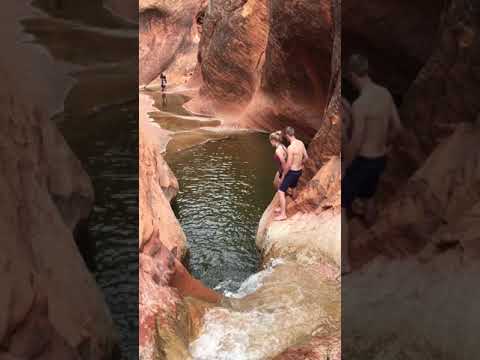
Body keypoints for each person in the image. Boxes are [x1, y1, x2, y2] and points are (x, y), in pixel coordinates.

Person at [341, 54, 404, 274]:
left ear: (351, 76)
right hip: (380, 159)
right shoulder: (385, 94)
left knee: (341, 207)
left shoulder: (360, 104)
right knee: (368, 200)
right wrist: (385, 146)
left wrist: (345, 167)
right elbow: (398, 128)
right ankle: (375, 248)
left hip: (364, 161)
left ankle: (345, 262)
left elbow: (356, 142)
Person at [274, 126, 309, 221]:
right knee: (293, 188)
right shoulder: (301, 143)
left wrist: (283, 176)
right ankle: (291, 205)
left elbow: (288, 165)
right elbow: (306, 157)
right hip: (299, 171)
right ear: (293, 133)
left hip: (292, 172)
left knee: (281, 191)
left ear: (287, 135)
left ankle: (283, 214)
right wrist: (300, 164)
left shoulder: (291, 147)